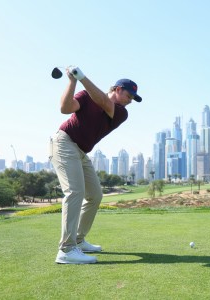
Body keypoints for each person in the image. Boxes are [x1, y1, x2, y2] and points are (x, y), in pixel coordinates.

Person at [50, 66, 142, 264]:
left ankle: (78, 240)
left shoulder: (120, 112)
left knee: (95, 195)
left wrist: (82, 77)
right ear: (117, 89)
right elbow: (64, 108)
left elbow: (103, 102)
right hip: (64, 142)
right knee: (75, 192)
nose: (130, 101)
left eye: (133, 98)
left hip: (81, 152)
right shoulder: (85, 95)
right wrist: (73, 81)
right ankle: (66, 250)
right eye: (129, 95)